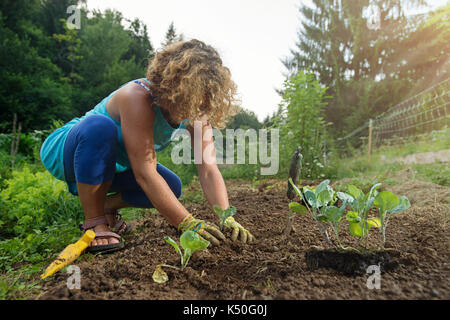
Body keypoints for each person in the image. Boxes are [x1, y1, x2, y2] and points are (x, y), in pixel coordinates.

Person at [40, 39, 255, 254]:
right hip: (70, 151)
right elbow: (145, 173)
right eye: (194, 98)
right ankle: (95, 222)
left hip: (112, 166)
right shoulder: (137, 97)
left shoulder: (196, 112)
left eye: (204, 102)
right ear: (174, 86)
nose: (197, 109)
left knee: (172, 187)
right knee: (100, 127)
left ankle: (107, 206)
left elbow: (208, 169)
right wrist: (187, 222)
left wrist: (227, 217)